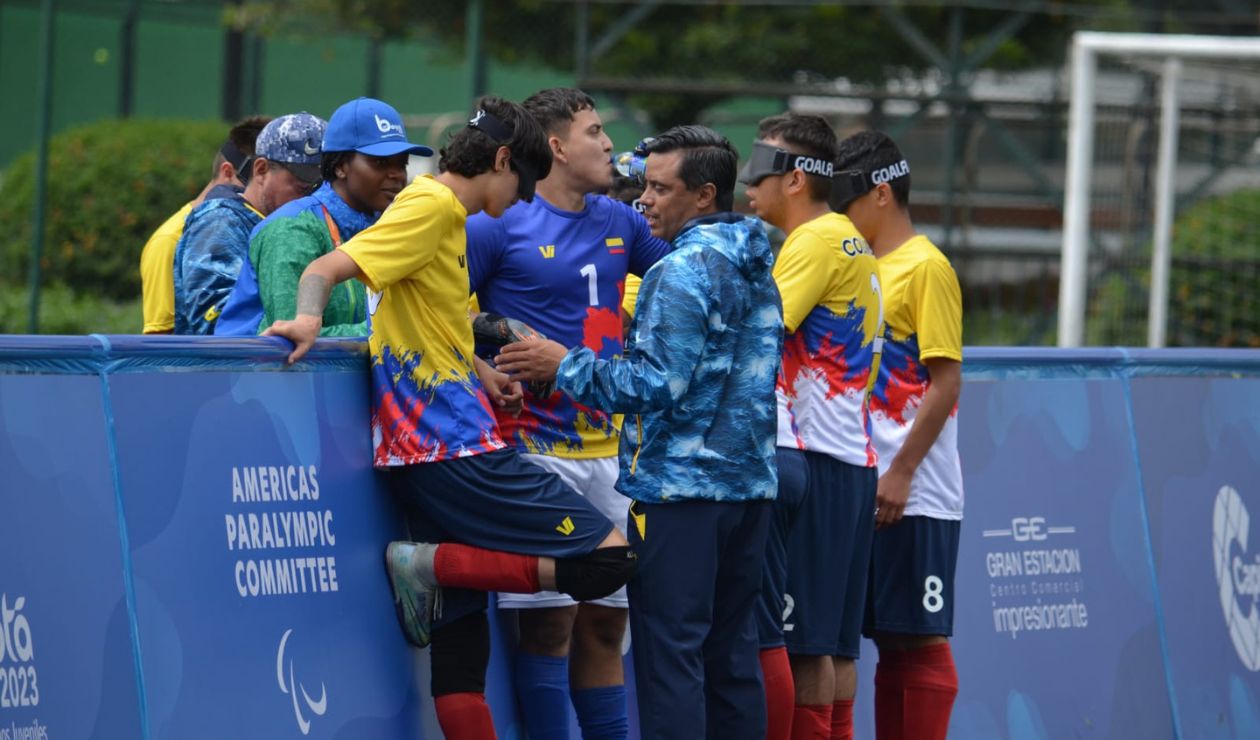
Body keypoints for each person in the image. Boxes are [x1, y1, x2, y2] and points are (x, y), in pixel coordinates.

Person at [261, 96, 636, 740]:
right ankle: (426, 564)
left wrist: (484, 372)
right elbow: (327, 269)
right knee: (610, 562)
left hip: (443, 438)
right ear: (498, 160)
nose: (523, 199)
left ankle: (435, 565)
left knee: (461, 658)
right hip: (448, 446)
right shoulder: (431, 205)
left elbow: (426, 317)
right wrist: (306, 318)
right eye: (522, 179)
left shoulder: (445, 214)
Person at [496, 125, 783, 740]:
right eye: (644, 185)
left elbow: (657, 386)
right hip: (749, 490)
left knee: (670, 657)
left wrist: (561, 364)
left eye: (659, 188)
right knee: (733, 655)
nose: (643, 200)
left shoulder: (678, 271)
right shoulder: (756, 258)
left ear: (704, 195)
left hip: (680, 495)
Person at [464, 87, 671, 740]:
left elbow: (679, 293)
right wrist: (486, 360)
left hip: (612, 453)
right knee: (549, 624)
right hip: (532, 452)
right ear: (555, 146)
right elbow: (429, 310)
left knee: (607, 621)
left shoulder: (623, 221)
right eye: (595, 131)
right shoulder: (497, 221)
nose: (610, 144)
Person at [741, 113, 883, 740]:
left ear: (795, 178)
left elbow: (759, 337)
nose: (748, 182)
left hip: (817, 456)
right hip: (850, 459)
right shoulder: (847, 237)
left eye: (757, 168)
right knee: (832, 646)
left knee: (804, 646)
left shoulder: (814, 242)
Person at [834, 130, 963, 740]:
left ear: (880, 193)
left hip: (914, 492)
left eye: (847, 201)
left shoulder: (927, 267)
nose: (838, 215)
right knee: (873, 639)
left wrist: (904, 471)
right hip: (856, 481)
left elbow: (945, 381)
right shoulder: (852, 266)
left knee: (917, 638)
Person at [215, 98, 431, 337]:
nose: (396, 175)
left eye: (402, 164)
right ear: (340, 166)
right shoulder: (291, 229)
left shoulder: (386, 225)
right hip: (254, 371)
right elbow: (288, 335)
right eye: (379, 162)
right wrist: (399, 330)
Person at [171, 112, 326, 334]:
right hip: (223, 367)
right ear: (261, 170)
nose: (310, 200)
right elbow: (214, 324)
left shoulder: (298, 224)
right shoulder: (220, 222)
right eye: (302, 187)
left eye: (320, 189)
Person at [139, 116, 269, 334]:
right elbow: (161, 337)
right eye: (255, 176)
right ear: (228, 172)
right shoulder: (169, 240)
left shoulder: (258, 224)